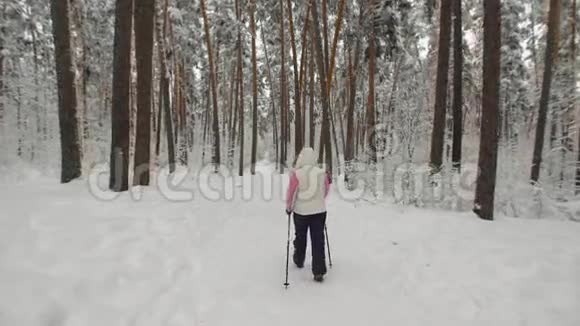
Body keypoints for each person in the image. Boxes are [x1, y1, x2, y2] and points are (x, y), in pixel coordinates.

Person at [285, 147, 331, 282]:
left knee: (301, 236)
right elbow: (325, 191)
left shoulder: (297, 174)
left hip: (301, 212)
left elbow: (291, 193)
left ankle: (299, 259)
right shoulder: (322, 173)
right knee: (318, 239)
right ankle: (319, 271)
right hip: (319, 211)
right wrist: (318, 200)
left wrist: (289, 208)